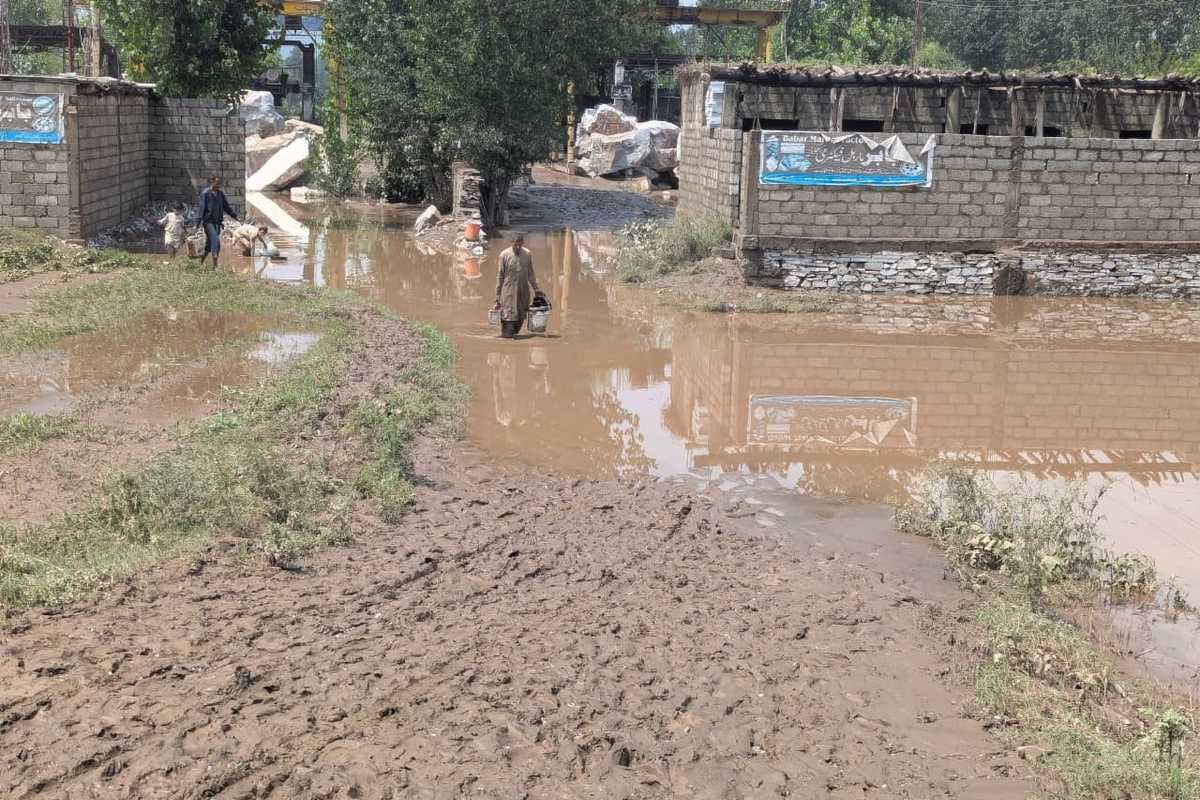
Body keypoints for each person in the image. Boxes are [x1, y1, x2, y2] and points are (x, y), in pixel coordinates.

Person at [493, 233, 543, 339]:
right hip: (508, 292)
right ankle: (506, 342)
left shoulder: (527, 254)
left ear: (523, 243)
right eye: (516, 244)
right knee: (508, 320)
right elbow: (500, 276)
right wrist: (497, 296)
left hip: (523, 291)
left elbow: (531, 274)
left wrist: (536, 289)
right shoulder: (504, 255)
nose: (518, 247)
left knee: (520, 318)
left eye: (520, 244)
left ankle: (513, 341)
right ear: (512, 243)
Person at [198, 176, 238, 268]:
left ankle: (201, 262)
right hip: (208, 222)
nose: (219, 185)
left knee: (209, 244)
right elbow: (201, 209)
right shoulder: (206, 193)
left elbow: (226, 207)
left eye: (220, 184)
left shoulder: (220, 194)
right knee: (216, 240)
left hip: (217, 223)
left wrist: (234, 215)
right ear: (212, 183)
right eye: (217, 183)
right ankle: (215, 266)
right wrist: (197, 223)